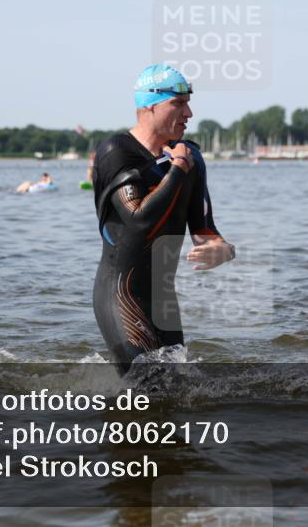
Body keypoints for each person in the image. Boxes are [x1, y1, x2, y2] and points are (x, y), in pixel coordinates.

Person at [91, 64, 235, 372]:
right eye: (178, 103)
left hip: (164, 300)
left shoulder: (191, 157)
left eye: (188, 103)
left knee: (175, 388)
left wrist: (223, 249)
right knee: (147, 385)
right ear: (150, 105)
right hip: (122, 296)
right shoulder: (117, 151)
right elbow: (138, 219)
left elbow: (204, 229)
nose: (189, 113)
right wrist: (178, 168)